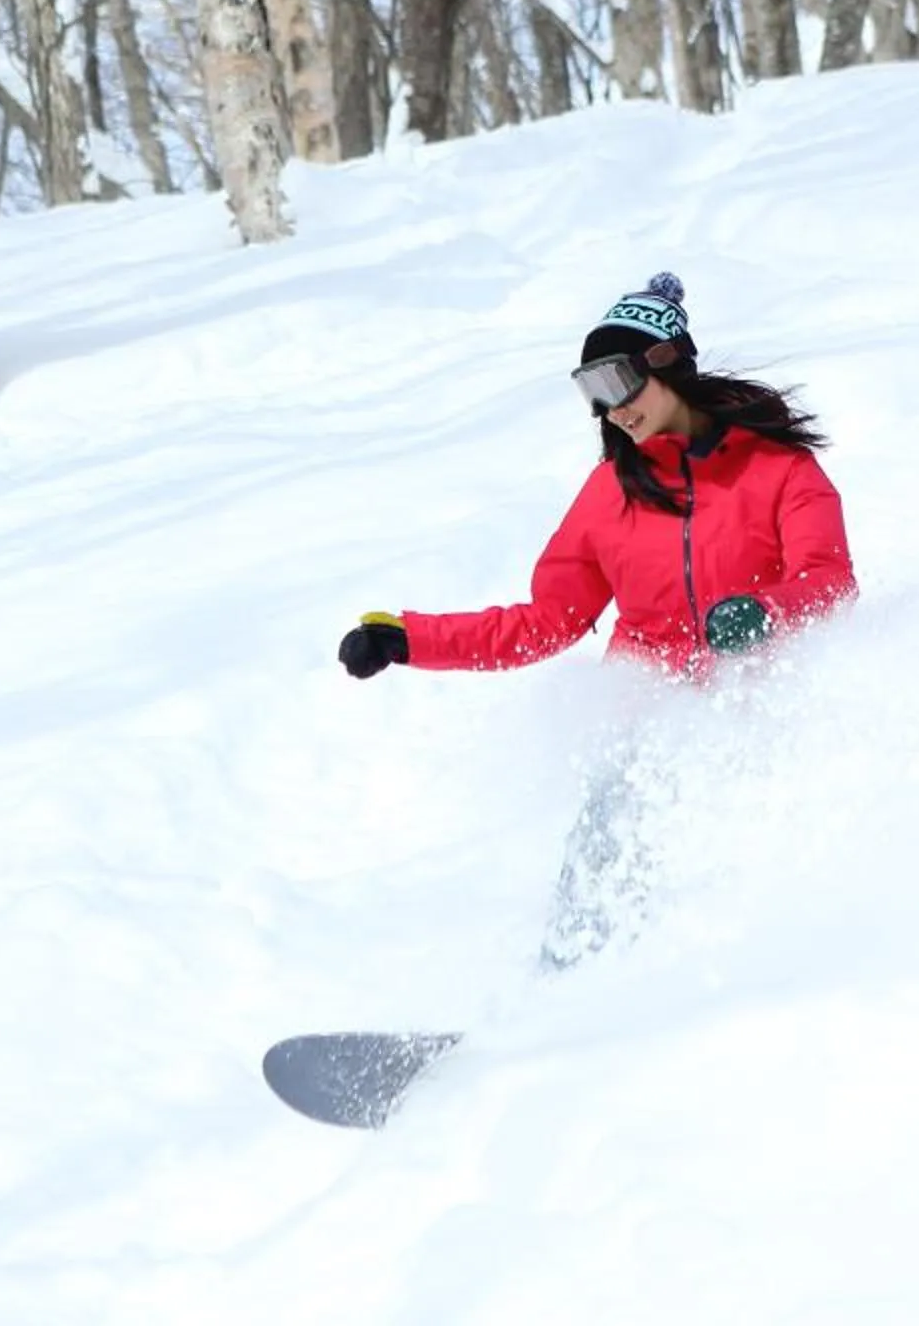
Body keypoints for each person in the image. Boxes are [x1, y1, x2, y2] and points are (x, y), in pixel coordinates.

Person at [334, 274, 857, 964]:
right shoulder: (610, 494)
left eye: (616, 384)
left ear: (668, 365)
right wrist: (408, 639)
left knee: (744, 851)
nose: (609, 411)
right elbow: (544, 621)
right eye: (591, 395)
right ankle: (571, 987)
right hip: (648, 712)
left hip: (762, 700)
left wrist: (762, 613)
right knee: (614, 823)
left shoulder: (779, 471)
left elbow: (830, 581)